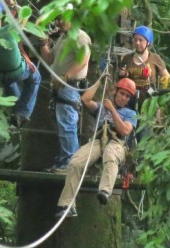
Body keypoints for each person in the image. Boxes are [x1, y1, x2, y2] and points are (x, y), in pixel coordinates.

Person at [54, 77, 138, 218]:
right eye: (122, 93)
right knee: (76, 162)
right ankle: (67, 205)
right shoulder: (101, 107)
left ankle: (105, 191)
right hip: (98, 141)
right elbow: (85, 100)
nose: (124, 98)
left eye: (127, 96)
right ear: (116, 92)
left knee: (111, 155)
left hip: (117, 143)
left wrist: (112, 110)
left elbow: (124, 131)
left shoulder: (131, 114)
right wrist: (99, 81)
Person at [39, 7, 91, 171]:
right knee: (63, 125)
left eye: (63, 18)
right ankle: (64, 161)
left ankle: (69, 163)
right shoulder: (63, 38)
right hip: (60, 87)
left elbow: (83, 59)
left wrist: (65, 77)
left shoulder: (80, 36)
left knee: (67, 124)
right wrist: (43, 43)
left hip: (70, 86)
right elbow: (50, 59)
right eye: (58, 19)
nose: (59, 22)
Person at [0, 0, 41, 128]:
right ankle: (22, 113)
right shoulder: (8, 31)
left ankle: (16, 112)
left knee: (10, 82)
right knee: (35, 77)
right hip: (16, 72)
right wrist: (14, 5)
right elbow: (26, 13)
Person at [117, 25, 170, 109]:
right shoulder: (127, 58)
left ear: (148, 42)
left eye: (141, 40)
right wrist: (121, 75)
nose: (137, 43)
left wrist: (158, 91)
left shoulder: (155, 58)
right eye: (135, 40)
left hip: (148, 94)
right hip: (129, 95)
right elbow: (118, 80)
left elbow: (167, 78)